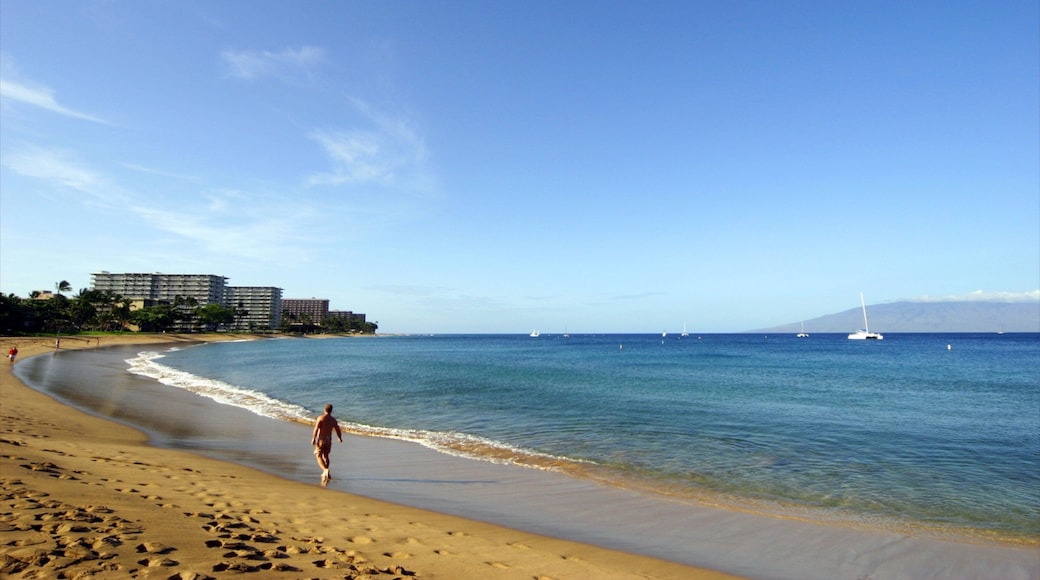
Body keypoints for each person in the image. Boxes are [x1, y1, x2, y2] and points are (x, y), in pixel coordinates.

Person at [311, 403, 343, 483]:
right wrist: (339, 438)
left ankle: (325, 470)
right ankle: (325, 473)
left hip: (321, 439)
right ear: (331, 411)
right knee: (326, 456)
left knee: (318, 455)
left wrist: (313, 438)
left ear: (324, 410)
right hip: (328, 440)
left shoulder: (320, 418)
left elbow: (316, 429)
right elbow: (337, 429)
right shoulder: (333, 420)